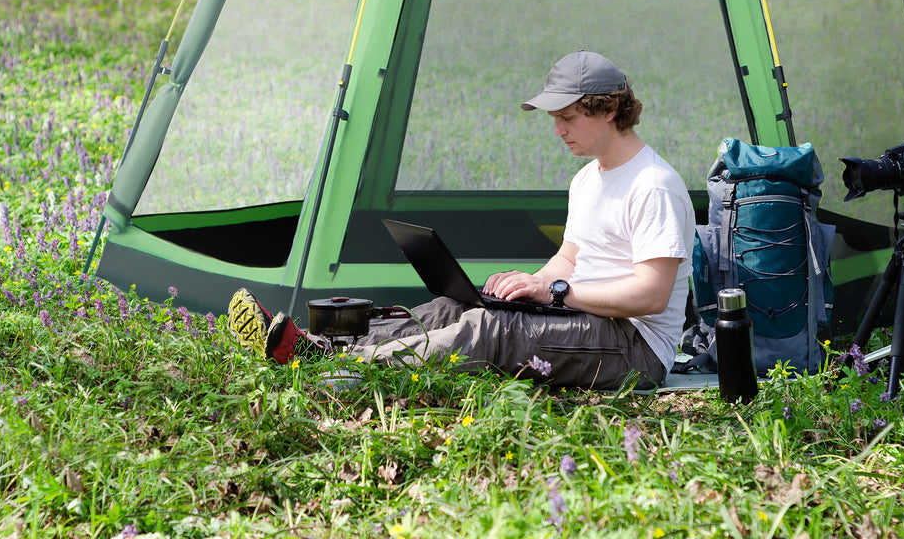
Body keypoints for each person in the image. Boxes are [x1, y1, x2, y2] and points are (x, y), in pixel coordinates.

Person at [228, 50, 695, 390]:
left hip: (635, 348)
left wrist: (555, 293)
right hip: (581, 315)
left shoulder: (652, 184)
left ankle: (337, 373)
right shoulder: (588, 180)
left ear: (610, 109)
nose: (557, 130)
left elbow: (650, 296)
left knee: (491, 331)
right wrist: (527, 285)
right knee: (455, 308)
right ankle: (319, 346)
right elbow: (570, 257)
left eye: (568, 117)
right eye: (555, 118)